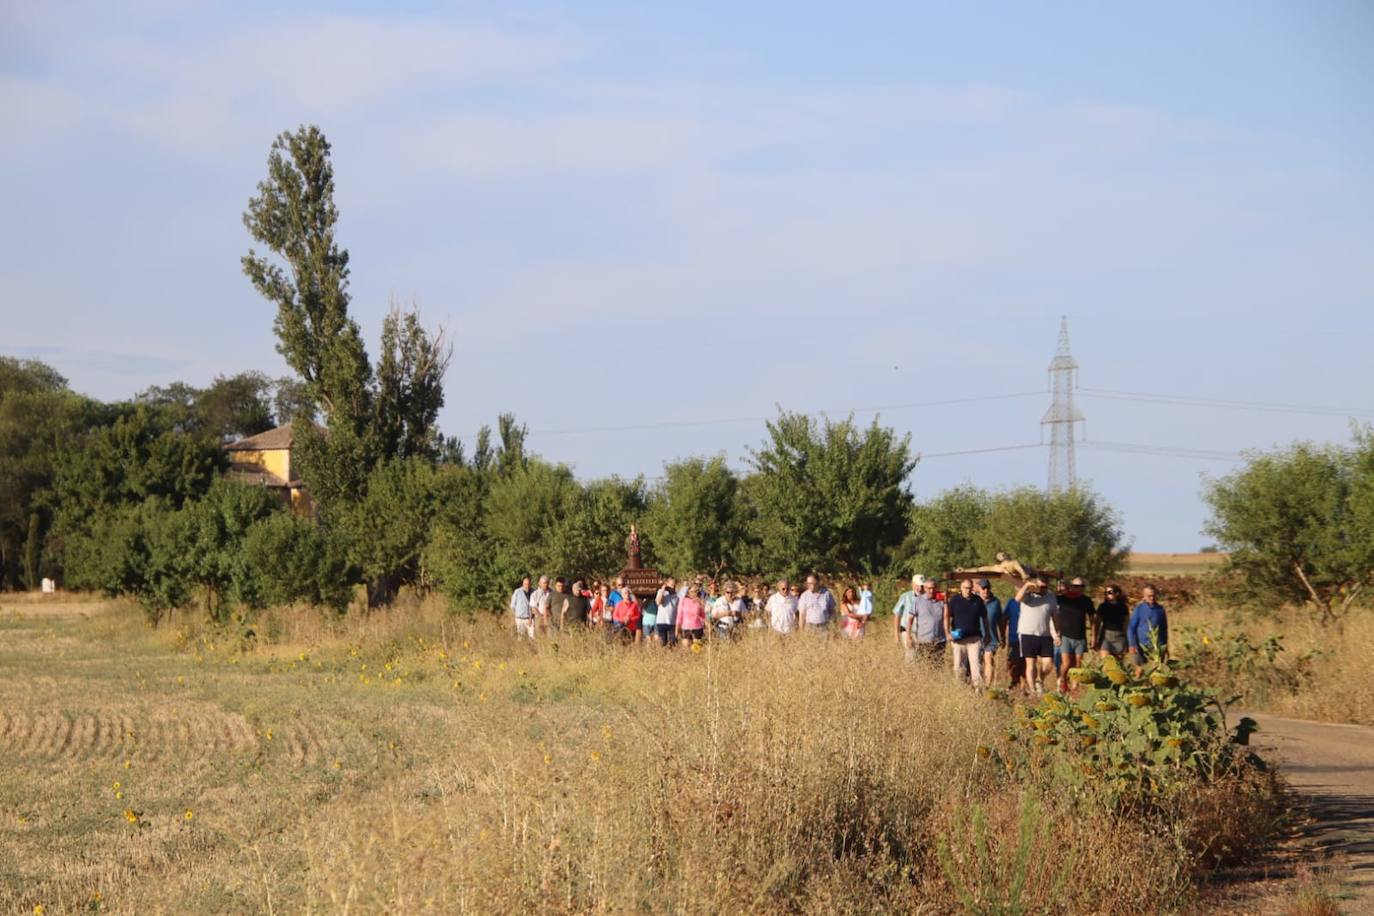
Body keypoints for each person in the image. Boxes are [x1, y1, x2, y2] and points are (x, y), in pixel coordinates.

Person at [1014, 577, 1059, 695]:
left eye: (1045, 587)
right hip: (1027, 633)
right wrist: (1027, 585)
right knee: (1030, 663)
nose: (1042, 589)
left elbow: (1055, 616)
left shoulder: (1051, 596)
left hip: (1045, 634)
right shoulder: (1028, 595)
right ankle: (1033, 690)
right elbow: (1017, 598)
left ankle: (1040, 680)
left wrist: (1058, 633)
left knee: (1048, 664)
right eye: (1040, 587)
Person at [1054, 577, 1094, 691]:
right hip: (1065, 636)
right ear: (1071, 586)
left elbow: (1092, 619)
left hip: (1080, 636)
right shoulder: (1062, 599)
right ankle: (1061, 682)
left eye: (1082, 586)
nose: (1079, 588)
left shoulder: (1086, 601)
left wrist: (1093, 635)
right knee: (1066, 664)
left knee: (1077, 665)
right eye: (1076, 586)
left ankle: (1075, 688)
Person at [945, 578, 987, 687]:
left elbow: (985, 618)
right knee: (958, 666)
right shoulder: (954, 600)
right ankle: (959, 689)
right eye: (965, 588)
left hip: (974, 639)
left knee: (976, 665)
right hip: (958, 639)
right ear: (961, 588)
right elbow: (946, 616)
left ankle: (978, 690)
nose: (967, 590)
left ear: (972, 588)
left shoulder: (978, 600)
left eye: (969, 588)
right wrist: (947, 633)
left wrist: (987, 634)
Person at [1127, 584, 1169, 670]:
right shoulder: (1139, 609)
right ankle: (1139, 683)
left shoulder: (1160, 609)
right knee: (1140, 669)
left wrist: (1165, 646)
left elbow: (1164, 629)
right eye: (1149, 596)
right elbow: (1131, 628)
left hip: (1157, 645)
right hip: (1141, 645)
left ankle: (1153, 683)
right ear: (1144, 596)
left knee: (1157, 669)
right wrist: (1132, 645)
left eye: (1153, 595)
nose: (1152, 598)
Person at [910, 580, 947, 664]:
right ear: (925, 589)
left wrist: (945, 601)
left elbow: (946, 617)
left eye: (933, 588)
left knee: (938, 665)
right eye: (929, 588)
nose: (931, 590)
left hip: (939, 640)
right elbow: (910, 619)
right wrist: (909, 636)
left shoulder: (941, 600)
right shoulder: (918, 601)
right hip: (924, 640)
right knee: (923, 665)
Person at [977, 579, 1002, 687]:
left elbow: (1000, 620)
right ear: (979, 589)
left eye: (987, 588)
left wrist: (1002, 636)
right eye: (983, 588)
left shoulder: (996, 602)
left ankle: (987, 686)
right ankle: (977, 685)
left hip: (991, 638)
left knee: (989, 660)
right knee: (976, 662)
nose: (985, 590)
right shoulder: (975, 600)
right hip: (976, 636)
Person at [1095, 584, 1130, 659]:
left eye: (1110, 592)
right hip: (1106, 636)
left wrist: (1127, 640)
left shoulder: (1123, 607)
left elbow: (1126, 624)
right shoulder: (1102, 606)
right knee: (1106, 662)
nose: (1107, 594)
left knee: (1118, 665)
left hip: (1119, 636)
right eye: (1106, 593)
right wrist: (1095, 638)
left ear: (1117, 593)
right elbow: (1097, 623)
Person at [893, 574, 925, 654]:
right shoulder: (905, 596)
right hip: (908, 631)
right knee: (911, 656)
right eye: (918, 585)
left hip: (924, 632)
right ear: (912, 584)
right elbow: (897, 614)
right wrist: (896, 635)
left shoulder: (927, 597)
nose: (920, 588)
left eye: (922, 586)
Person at [1004, 591, 1024, 692]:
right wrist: (1002, 636)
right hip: (1014, 638)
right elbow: (1004, 618)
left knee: (1025, 664)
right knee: (1012, 662)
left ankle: (1024, 686)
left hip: (1028, 639)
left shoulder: (1032, 602)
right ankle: (1014, 682)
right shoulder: (1011, 603)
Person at [655, 577, 679, 646]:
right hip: (662, 621)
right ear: (667, 584)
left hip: (672, 622)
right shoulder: (662, 592)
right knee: (662, 642)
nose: (673, 586)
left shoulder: (677, 595)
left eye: (674, 585)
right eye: (671, 585)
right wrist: (663, 590)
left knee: (673, 643)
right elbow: (658, 602)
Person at [509, 574, 535, 638]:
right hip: (520, 619)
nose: (527, 585)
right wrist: (516, 617)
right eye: (526, 584)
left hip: (531, 619)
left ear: (531, 584)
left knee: (532, 637)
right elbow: (512, 606)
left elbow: (535, 606)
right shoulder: (517, 592)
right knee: (521, 637)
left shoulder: (534, 592)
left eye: (529, 584)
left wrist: (531, 617)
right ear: (522, 583)